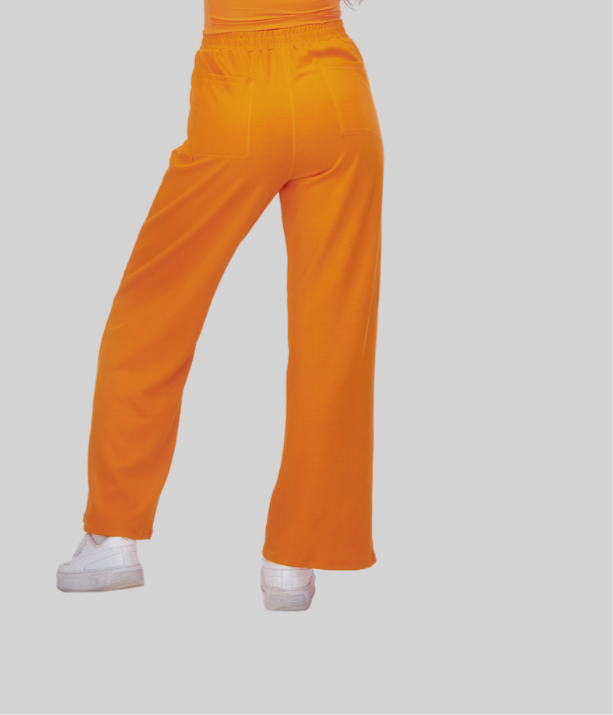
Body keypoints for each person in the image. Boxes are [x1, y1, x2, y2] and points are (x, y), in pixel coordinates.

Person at [56, 0, 384, 611]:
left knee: (154, 311)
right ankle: (294, 556)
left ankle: (114, 535)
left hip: (239, 86)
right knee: (334, 333)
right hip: (338, 89)